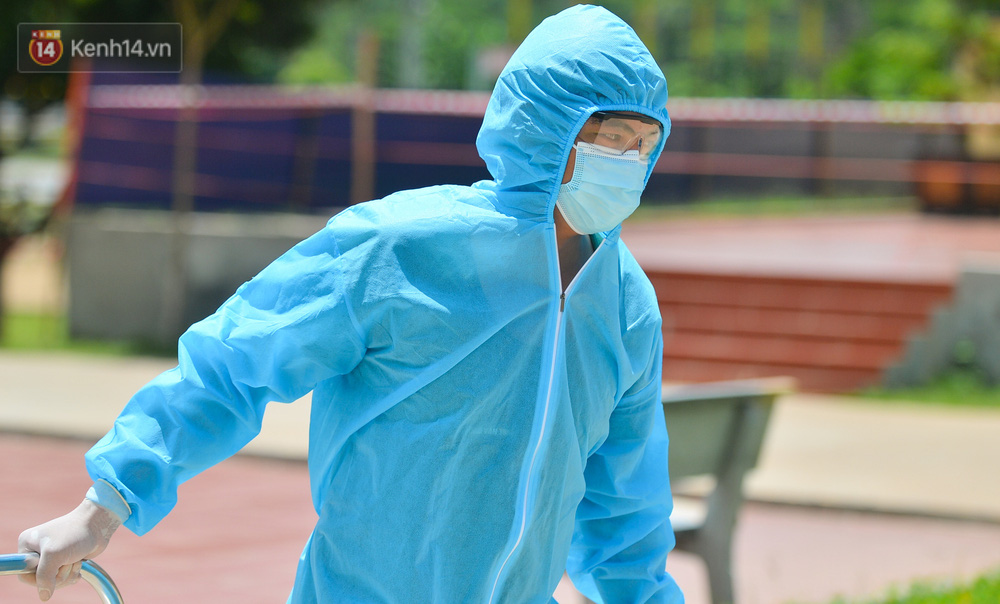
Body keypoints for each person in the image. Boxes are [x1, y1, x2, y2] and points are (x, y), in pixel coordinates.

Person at [18, 5, 684, 603]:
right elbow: (236, 361)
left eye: (645, 144)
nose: (630, 160)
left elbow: (626, 510)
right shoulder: (400, 248)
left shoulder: (625, 305)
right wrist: (102, 508)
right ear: (546, 124)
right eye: (612, 136)